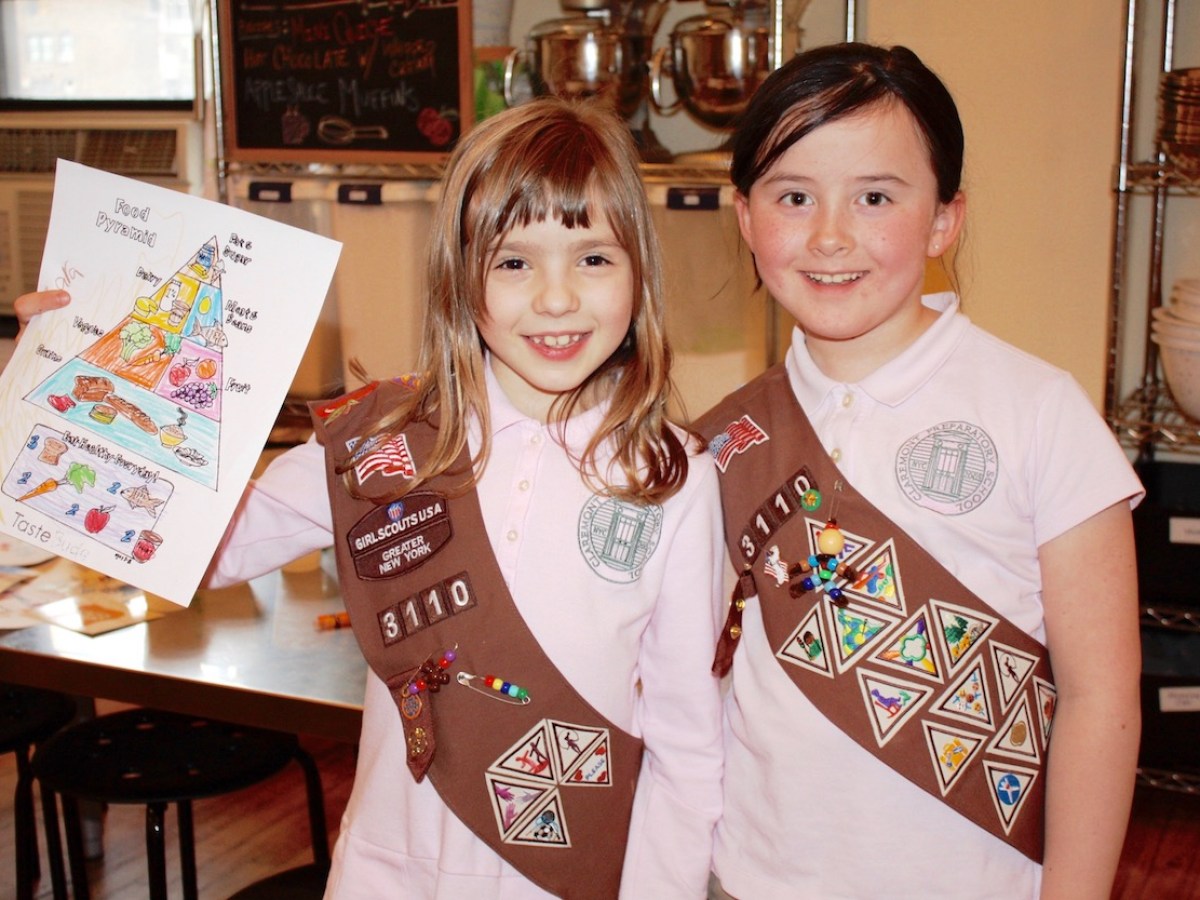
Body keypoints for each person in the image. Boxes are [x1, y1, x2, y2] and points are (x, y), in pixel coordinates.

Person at [14, 96, 725, 899]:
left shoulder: (672, 479)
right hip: (389, 876)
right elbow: (199, 549)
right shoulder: (382, 441)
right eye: (514, 261)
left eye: (593, 258)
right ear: (461, 278)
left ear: (640, 271)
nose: (556, 298)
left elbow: (687, 745)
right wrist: (73, 391)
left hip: (568, 875)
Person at [695, 43, 1143, 899]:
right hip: (750, 879)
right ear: (746, 218)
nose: (830, 236)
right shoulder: (724, 439)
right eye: (794, 197)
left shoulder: (1040, 413)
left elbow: (1102, 700)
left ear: (944, 219)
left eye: (874, 198)